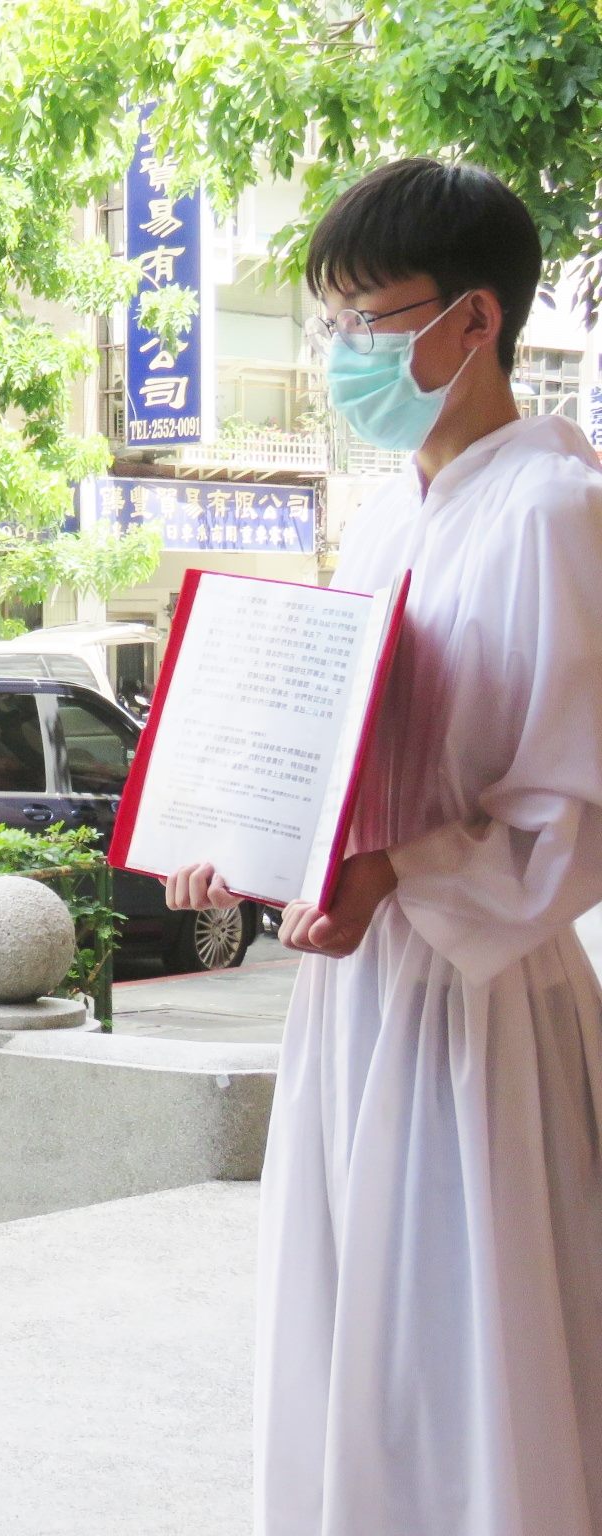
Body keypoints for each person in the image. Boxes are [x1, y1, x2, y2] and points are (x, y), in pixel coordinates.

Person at [165, 159, 602, 1535]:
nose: (344, 353)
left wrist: (398, 871)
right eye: (330, 322)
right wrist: (238, 832)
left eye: (372, 319)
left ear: (474, 322)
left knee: (465, 1357)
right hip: (353, 993)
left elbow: (570, 812)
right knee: (352, 1339)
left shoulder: (558, 513)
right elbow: (336, 749)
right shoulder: (386, 518)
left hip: (476, 1009)